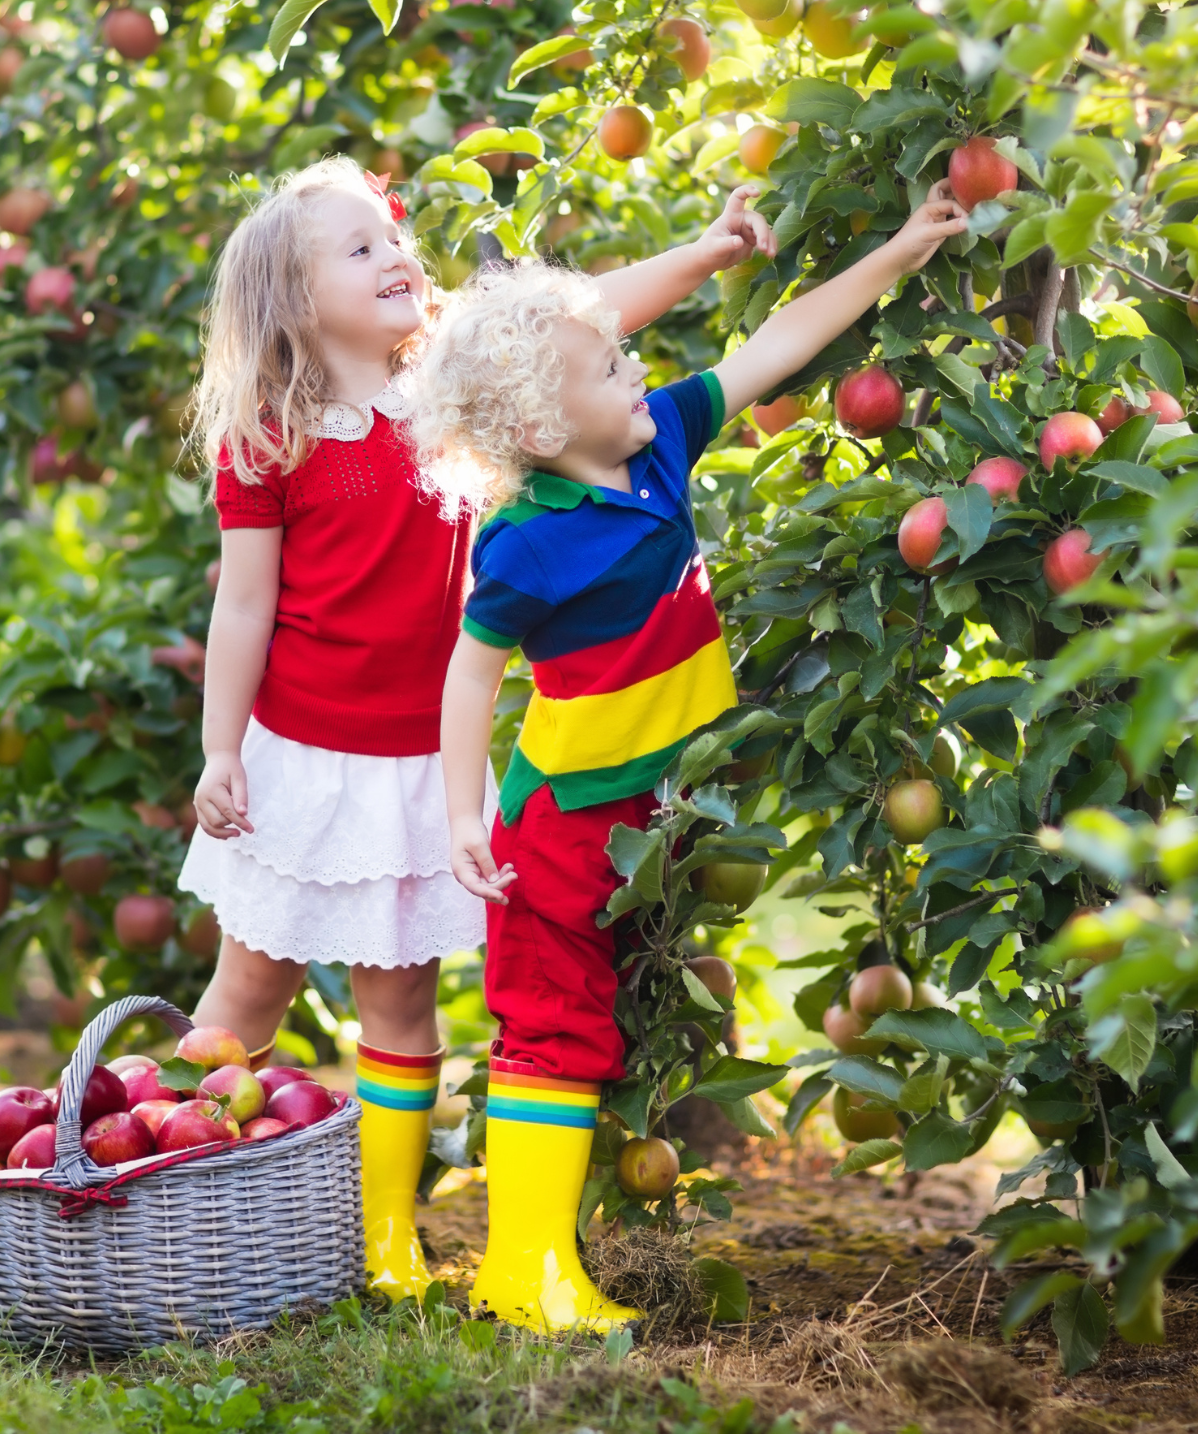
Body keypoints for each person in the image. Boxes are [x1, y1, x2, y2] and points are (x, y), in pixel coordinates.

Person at [176, 154, 778, 1303]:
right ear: (294, 297)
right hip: (301, 756)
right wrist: (220, 749)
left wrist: (706, 253)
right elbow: (243, 605)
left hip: (419, 760)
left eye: (393, 236)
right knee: (250, 983)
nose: (396, 255)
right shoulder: (271, 433)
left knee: (402, 1004)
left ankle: (384, 1236)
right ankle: (176, 1183)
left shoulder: (446, 374)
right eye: (359, 247)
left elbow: (587, 315)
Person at [417, 179, 967, 1331]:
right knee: (552, 1027)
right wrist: (464, 817)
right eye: (609, 366)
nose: (637, 371)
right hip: (563, 822)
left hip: (657, 813)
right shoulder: (525, 545)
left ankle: (545, 1259)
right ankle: (525, 1271)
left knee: (609, 1019)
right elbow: (471, 676)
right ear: (540, 432)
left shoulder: (662, 441)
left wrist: (902, 251)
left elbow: (782, 341)